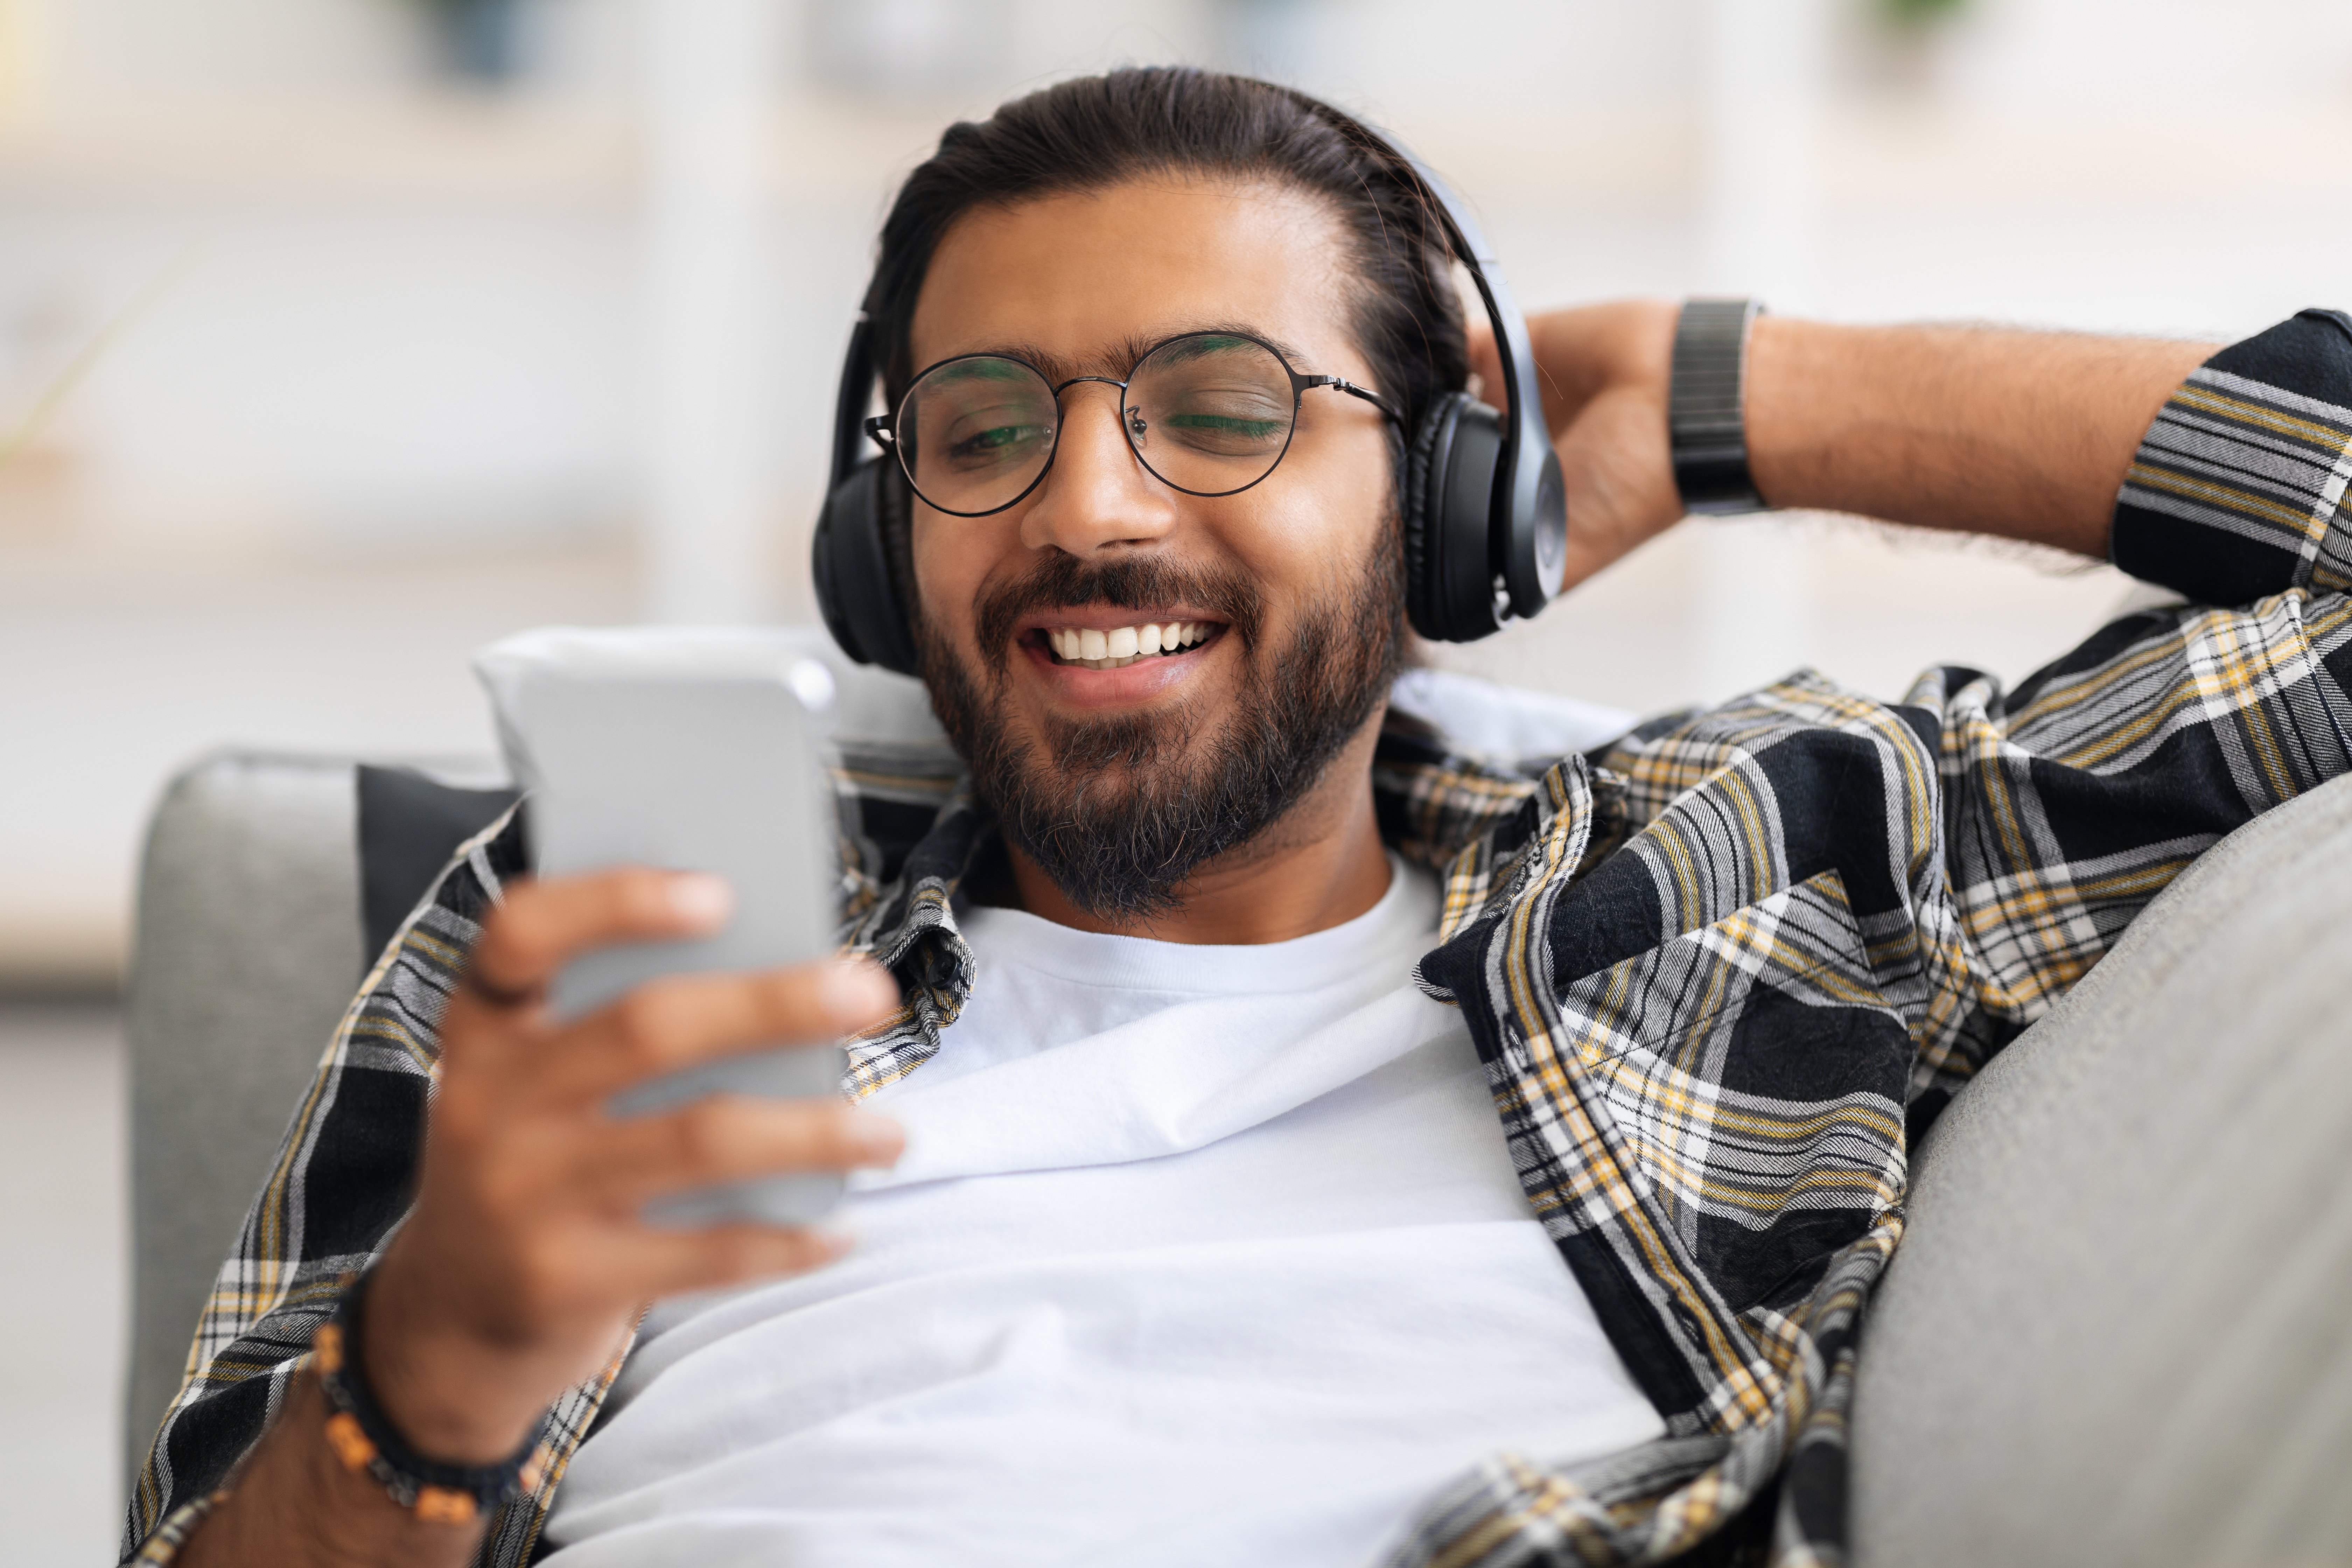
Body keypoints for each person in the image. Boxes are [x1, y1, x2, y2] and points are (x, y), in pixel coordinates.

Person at [127, 67, 2352, 1568]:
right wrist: (436, 1362)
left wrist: (1732, 392)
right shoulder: (628, 911)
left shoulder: (1771, 867)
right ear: (870, 541)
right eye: (981, 426)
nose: (1089, 507)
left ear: (1449, 492)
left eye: (1227, 408)